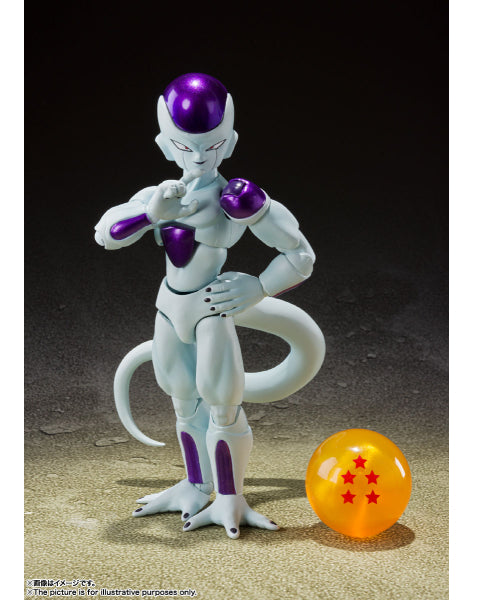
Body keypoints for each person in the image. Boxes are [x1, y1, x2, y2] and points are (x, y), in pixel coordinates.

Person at [95, 73, 324, 538]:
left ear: (230, 142)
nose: (199, 156)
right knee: (183, 400)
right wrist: (150, 215)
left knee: (222, 406)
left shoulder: (235, 199)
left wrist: (259, 286)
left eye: (212, 145)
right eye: (186, 147)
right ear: (165, 146)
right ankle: (196, 485)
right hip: (169, 307)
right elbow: (106, 234)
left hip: (209, 311)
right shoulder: (160, 197)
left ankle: (230, 496)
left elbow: (301, 256)